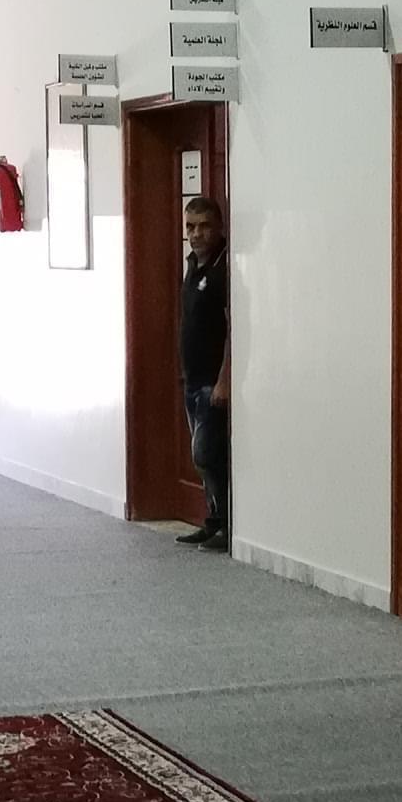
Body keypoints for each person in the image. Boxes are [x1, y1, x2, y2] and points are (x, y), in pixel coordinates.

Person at [176, 195, 231, 552]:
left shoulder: (224, 268)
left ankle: (224, 523)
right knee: (203, 455)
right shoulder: (193, 264)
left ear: (219, 228)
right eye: (190, 227)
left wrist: (224, 380)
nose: (196, 234)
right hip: (192, 378)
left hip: (213, 381)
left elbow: (232, 329)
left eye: (204, 226)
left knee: (206, 453)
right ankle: (213, 521)